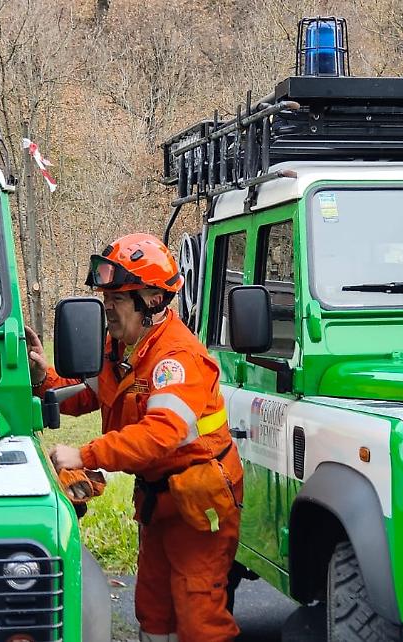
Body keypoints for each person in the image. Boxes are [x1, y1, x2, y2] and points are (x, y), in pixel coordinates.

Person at [28, 232, 243, 642]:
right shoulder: (119, 348)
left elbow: (158, 435)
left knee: (200, 618)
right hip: (159, 501)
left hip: (199, 504)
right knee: (153, 611)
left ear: (153, 301)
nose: (107, 306)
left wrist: (85, 455)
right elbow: (86, 393)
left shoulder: (177, 360)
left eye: (118, 298)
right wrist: (43, 379)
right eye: (106, 297)